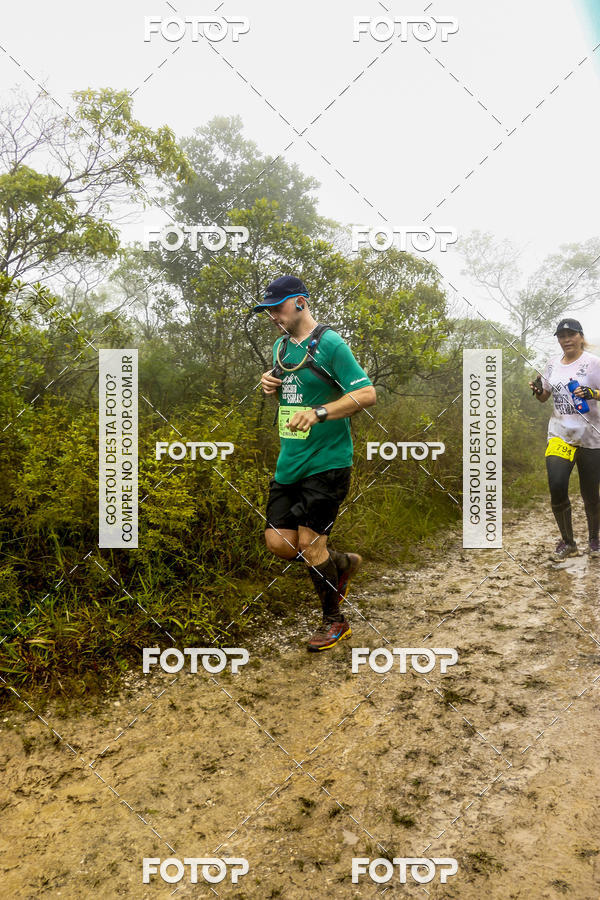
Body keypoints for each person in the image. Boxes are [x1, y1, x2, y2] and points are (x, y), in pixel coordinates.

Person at [255, 275, 376, 651]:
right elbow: (294, 399)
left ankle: (334, 622)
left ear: (301, 302)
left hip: (328, 461)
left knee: (309, 544)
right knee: (279, 543)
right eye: (269, 310)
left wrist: (320, 412)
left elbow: (367, 393)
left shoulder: (330, 343)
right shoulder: (280, 348)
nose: (274, 315)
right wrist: (270, 387)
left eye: (279, 307)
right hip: (290, 461)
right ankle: (339, 563)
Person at [529, 318, 600, 559]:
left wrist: (592, 393)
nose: (566, 339)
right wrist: (538, 391)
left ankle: (594, 540)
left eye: (571, 334)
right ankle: (568, 542)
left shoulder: (593, 364)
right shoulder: (552, 365)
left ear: (581, 336)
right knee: (557, 485)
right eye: (561, 336)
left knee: (590, 493)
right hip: (560, 434)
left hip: (591, 436)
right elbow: (544, 397)